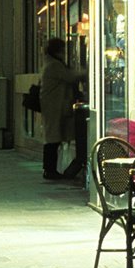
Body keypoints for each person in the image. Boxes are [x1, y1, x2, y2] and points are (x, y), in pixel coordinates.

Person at [40, 37, 86, 180]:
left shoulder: (51, 63)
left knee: (53, 138)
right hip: (54, 106)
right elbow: (70, 77)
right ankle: (50, 170)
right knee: (52, 139)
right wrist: (88, 71)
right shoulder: (54, 65)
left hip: (55, 105)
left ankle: (50, 169)